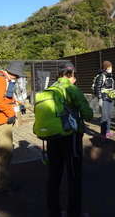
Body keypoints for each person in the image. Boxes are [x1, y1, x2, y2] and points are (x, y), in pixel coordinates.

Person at [46, 61, 93, 217]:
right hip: (70, 137)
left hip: (52, 137)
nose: (75, 79)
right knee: (74, 175)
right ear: (70, 74)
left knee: (54, 174)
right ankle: (74, 212)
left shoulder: (50, 89)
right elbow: (88, 114)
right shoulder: (72, 89)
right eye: (74, 75)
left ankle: (54, 211)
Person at [0, 61, 26, 193]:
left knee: (6, 152)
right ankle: (1, 185)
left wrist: (19, 104)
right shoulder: (0, 80)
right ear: (14, 73)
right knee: (5, 152)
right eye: (17, 76)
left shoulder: (4, 79)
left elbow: (6, 99)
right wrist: (11, 113)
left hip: (4, 119)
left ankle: (3, 181)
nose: (17, 78)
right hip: (1, 120)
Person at [94, 61, 115, 138]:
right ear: (105, 68)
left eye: (111, 67)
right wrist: (100, 98)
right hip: (104, 99)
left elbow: (113, 87)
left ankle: (108, 132)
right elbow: (98, 88)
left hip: (110, 98)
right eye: (109, 67)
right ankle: (103, 133)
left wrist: (114, 98)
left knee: (109, 116)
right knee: (104, 116)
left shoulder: (111, 76)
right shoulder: (101, 76)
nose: (111, 69)